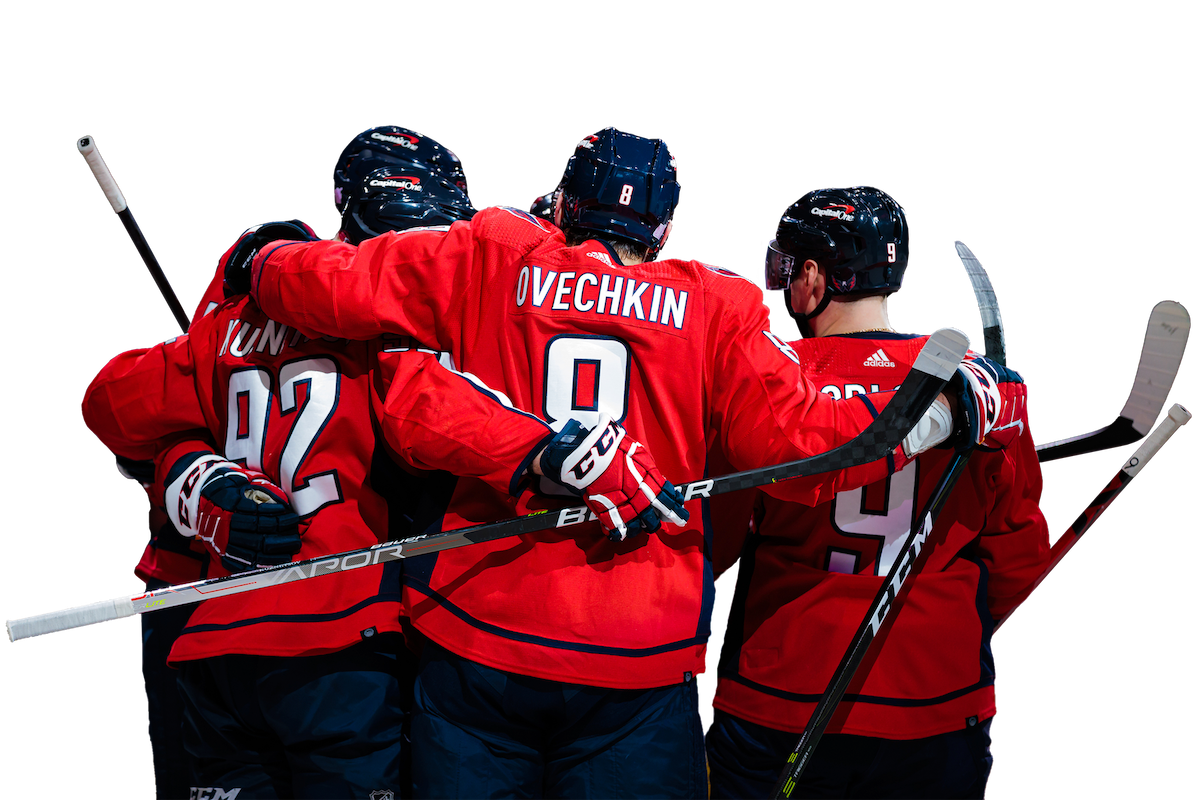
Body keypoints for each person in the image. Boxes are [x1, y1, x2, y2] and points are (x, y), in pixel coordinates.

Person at [221, 126, 1017, 798]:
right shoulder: (717, 301)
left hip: (479, 631)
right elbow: (809, 452)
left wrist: (260, 260)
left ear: (565, 203)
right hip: (638, 655)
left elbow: (333, 296)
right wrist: (942, 413)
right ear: (665, 230)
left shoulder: (492, 250)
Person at [80, 160, 480, 799]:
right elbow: (450, 432)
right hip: (341, 627)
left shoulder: (226, 323)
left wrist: (174, 456)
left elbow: (108, 406)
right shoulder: (396, 331)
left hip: (218, 635)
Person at [704, 186, 1052, 799]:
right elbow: (1019, 550)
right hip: (936, 699)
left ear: (813, 275)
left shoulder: (772, 377)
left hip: (781, 694)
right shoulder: (980, 388)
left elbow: (718, 542)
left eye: (788, 263)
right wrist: (954, 624)